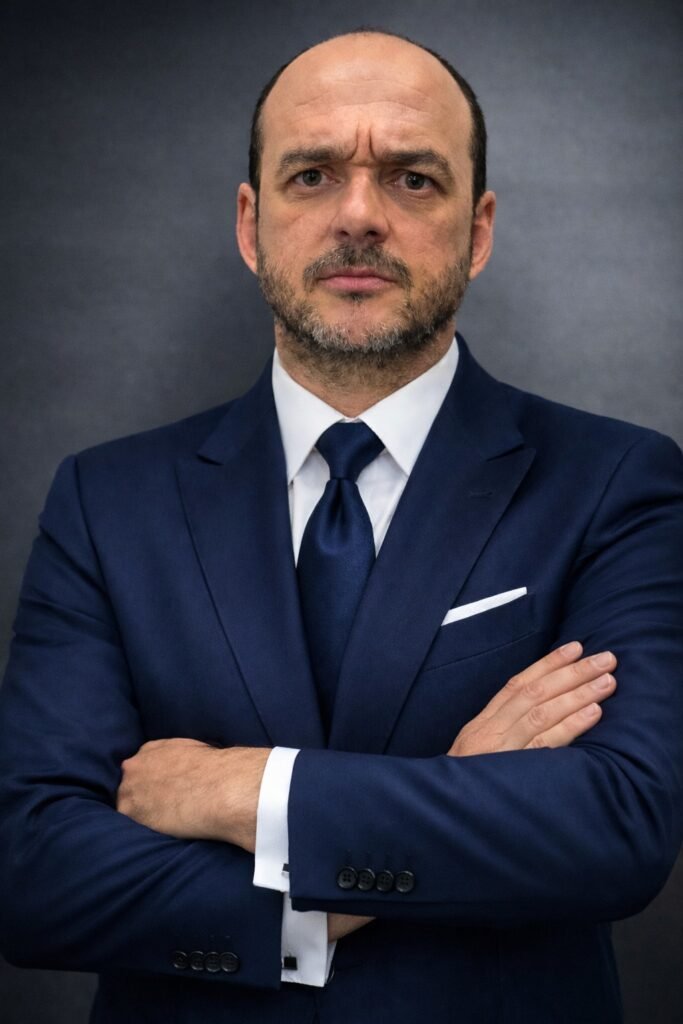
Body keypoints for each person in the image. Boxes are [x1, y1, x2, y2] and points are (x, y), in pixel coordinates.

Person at [0, 28, 681, 1024]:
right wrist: (450, 797)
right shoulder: (106, 501)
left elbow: (615, 828)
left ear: (477, 230)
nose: (358, 214)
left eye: (411, 179)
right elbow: (36, 872)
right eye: (312, 175)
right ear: (251, 225)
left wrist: (250, 792)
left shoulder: (616, 482)